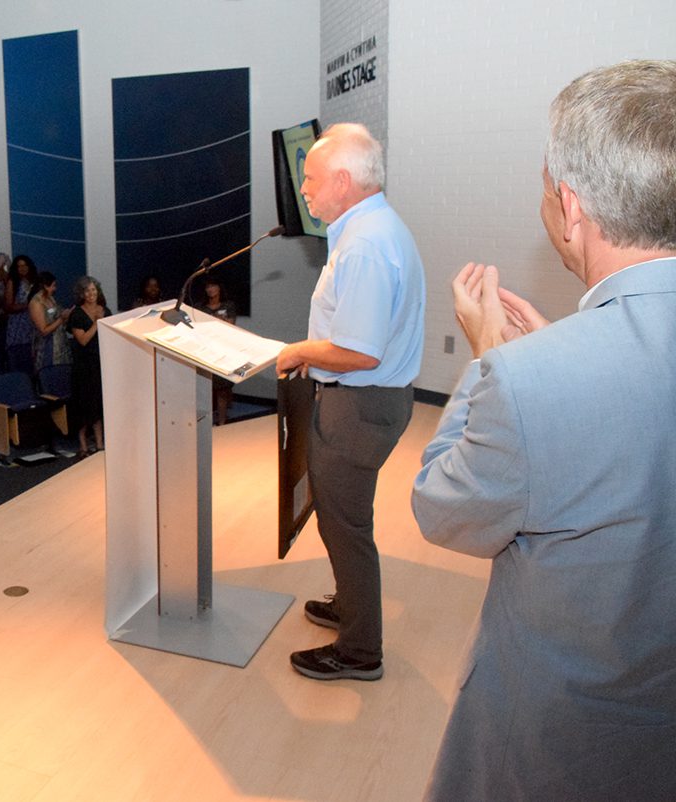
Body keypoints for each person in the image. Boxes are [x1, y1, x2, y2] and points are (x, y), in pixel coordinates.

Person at [412, 59, 676, 800]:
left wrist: (496, 364)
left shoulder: (529, 378)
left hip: (561, 748)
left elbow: (443, 506)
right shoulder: (551, 370)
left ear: (571, 206)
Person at [275, 122, 425, 681]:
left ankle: (360, 650)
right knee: (341, 518)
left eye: (310, 180)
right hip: (371, 402)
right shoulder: (374, 227)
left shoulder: (364, 244)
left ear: (343, 180)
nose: (305, 191)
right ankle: (349, 606)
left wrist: (300, 350)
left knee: (344, 526)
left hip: (358, 407)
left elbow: (359, 352)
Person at [67, 276, 108, 457]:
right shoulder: (76, 314)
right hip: (83, 366)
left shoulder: (104, 310)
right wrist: (97, 323)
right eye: (87, 291)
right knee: (84, 405)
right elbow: (82, 340)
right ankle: (83, 445)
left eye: (94, 290)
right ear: (82, 294)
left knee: (98, 404)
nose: (91, 294)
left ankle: (100, 444)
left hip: (100, 363)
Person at [195, 277, 238, 425]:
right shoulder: (200, 307)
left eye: (213, 286)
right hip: (205, 350)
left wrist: (214, 321)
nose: (210, 289)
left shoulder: (229, 305)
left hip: (223, 349)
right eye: (207, 287)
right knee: (204, 388)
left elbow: (230, 325)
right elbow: (199, 327)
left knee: (222, 389)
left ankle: (222, 423)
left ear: (219, 287)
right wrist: (217, 319)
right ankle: (204, 424)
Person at [29, 270, 70, 373]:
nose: (54, 288)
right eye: (52, 286)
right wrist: (61, 319)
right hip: (46, 346)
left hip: (59, 342)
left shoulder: (50, 298)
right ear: (45, 286)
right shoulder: (36, 303)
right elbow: (43, 330)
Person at [3, 254, 37, 373]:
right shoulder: (13, 282)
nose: (22, 268)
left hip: (32, 324)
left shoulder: (34, 281)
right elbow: (8, 306)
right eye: (19, 266)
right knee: (18, 358)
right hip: (18, 325)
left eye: (25, 265)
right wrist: (27, 306)